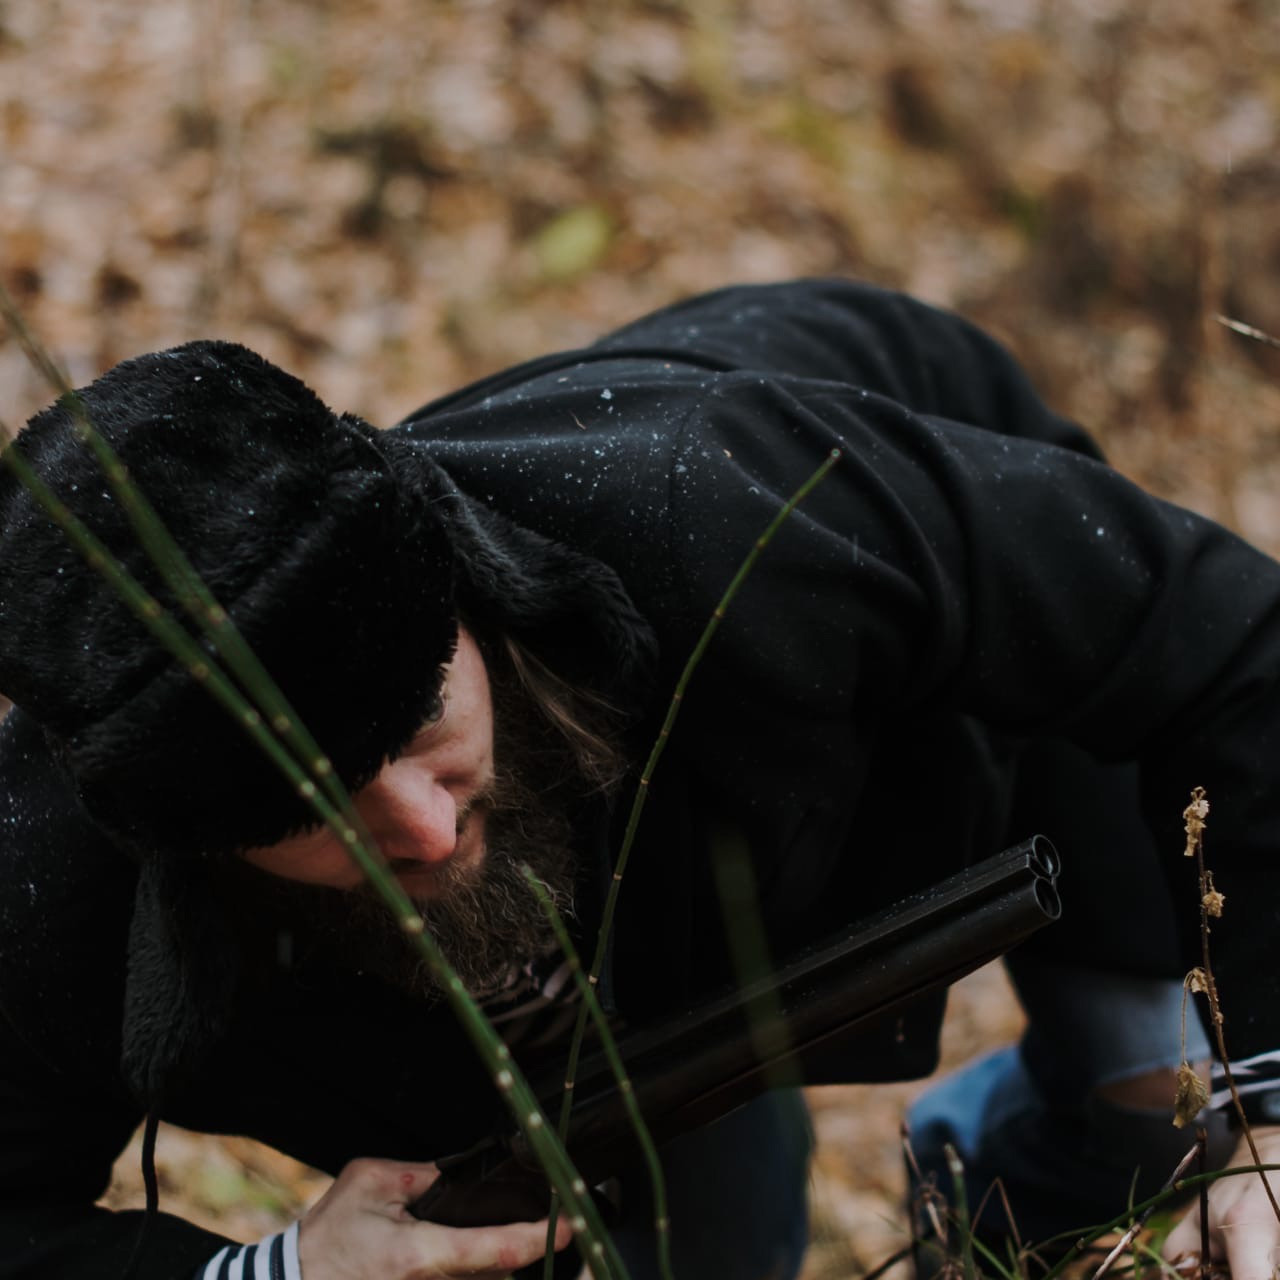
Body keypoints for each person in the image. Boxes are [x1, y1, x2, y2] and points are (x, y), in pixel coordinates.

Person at [1, 278, 1279, 1280]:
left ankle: (989, 1172)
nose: (425, 823)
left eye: (416, 718)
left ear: (461, 585)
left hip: (937, 674)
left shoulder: (725, 500)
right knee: (707, 1252)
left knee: (1149, 1096)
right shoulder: (56, 880)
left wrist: (1275, 1107)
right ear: (190, 840)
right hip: (627, 995)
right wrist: (272, 1268)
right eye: (309, 806)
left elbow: (1224, 643)